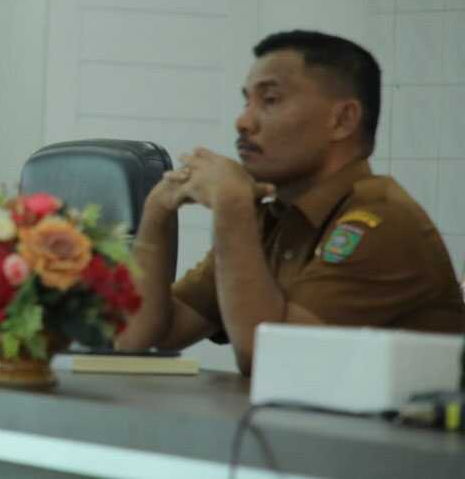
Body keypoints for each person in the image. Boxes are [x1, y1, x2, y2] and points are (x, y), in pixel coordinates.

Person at [118, 30, 465, 375]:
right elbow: (139, 337)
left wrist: (232, 205)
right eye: (247, 102)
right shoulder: (271, 218)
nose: (243, 121)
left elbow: (272, 360)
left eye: (270, 100)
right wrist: (157, 212)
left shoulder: (382, 221)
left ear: (342, 120)